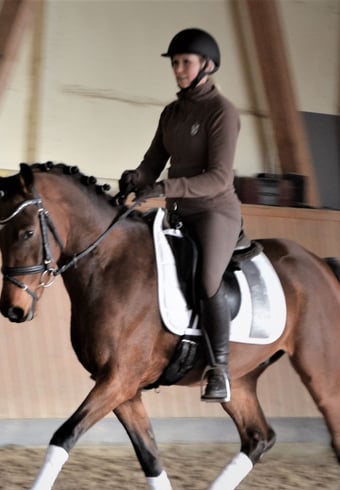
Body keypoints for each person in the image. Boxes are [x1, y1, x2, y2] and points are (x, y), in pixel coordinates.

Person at [119, 28, 242, 403]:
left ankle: (219, 368)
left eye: (185, 62)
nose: (178, 69)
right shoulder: (172, 113)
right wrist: (135, 179)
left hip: (213, 213)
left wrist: (167, 189)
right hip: (177, 212)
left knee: (207, 278)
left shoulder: (222, 112)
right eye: (175, 63)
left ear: (207, 65)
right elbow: (153, 162)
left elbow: (219, 177)